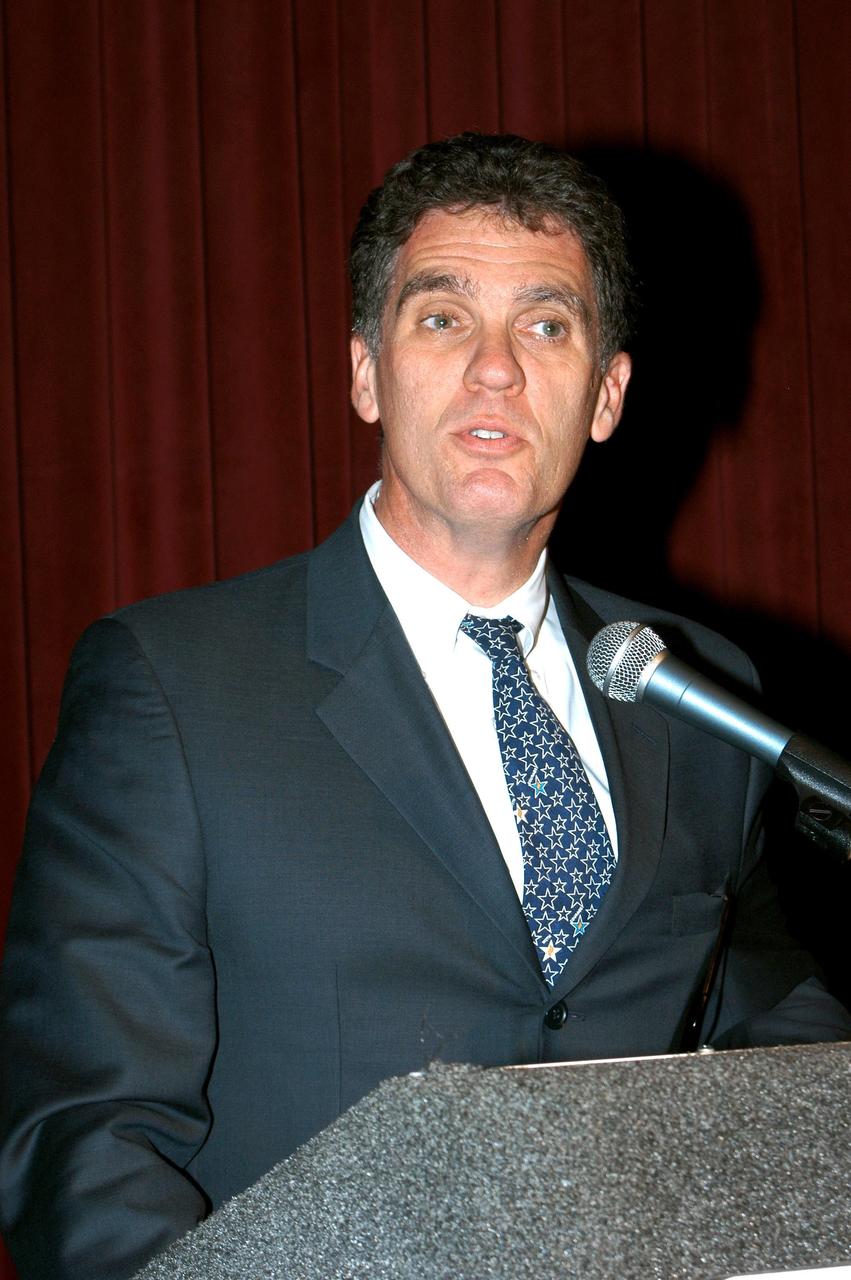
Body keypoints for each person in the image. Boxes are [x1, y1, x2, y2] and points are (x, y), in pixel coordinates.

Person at [1, 133, 848, 1280]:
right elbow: (88, 1136)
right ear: (364, 371)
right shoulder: (173, 685)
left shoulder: (696, 695)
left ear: (605, 394)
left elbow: (777, 1029)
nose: (494, 368)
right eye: (442, 318)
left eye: (544, 326)